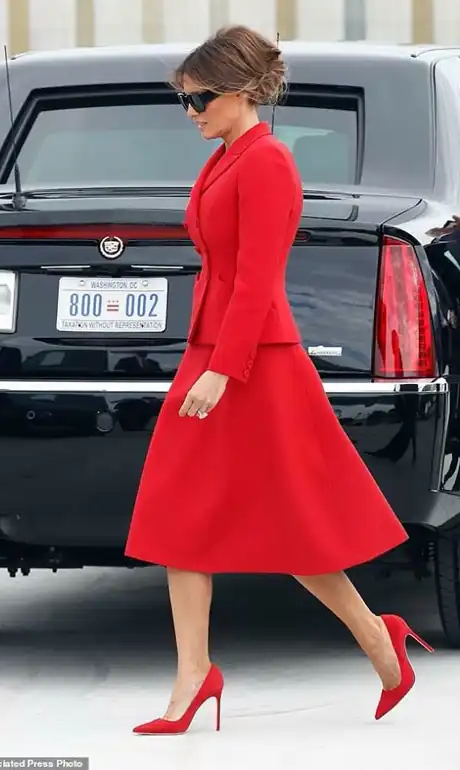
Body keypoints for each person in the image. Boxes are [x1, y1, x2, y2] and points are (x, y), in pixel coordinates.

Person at [124, 25, 434, 735]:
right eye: (184, 100)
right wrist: (204, 358)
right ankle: (195, 675)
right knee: (177, 512)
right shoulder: (225, 159)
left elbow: (260, 278)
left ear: (241, 91)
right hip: (215, 353)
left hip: (252, 362)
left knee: (292, 521)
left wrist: (223, 370)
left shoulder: (267, 165)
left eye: (201, 98)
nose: (191, 111)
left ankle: (376, 637)